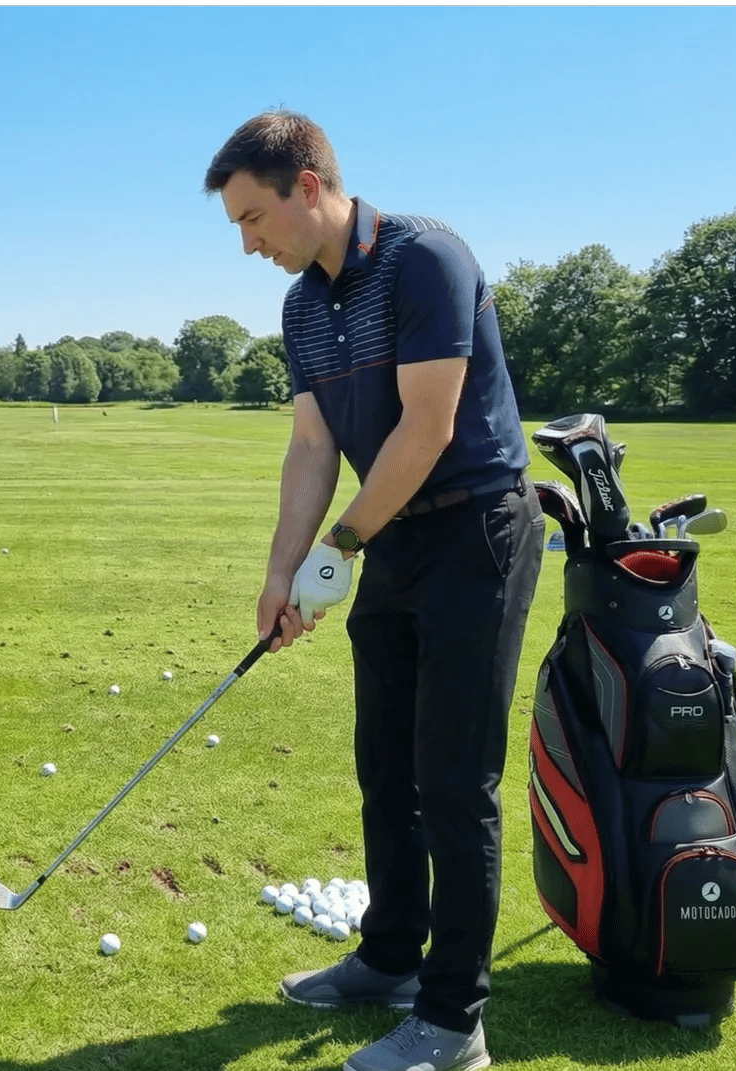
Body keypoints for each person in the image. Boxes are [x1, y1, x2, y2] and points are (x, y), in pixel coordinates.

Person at [202, 111, 543, 1071]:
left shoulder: (427, 258)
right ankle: (391, 957)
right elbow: (314, 445)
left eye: (253, 217)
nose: (248, 242)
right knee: (384, 767)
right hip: (392, 539)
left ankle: (452, 1021)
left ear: (308, 186)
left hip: (477, 531)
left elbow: (428, 427)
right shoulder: (301, 307)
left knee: (453, 783)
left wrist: (340, 550)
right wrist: (282, 572)